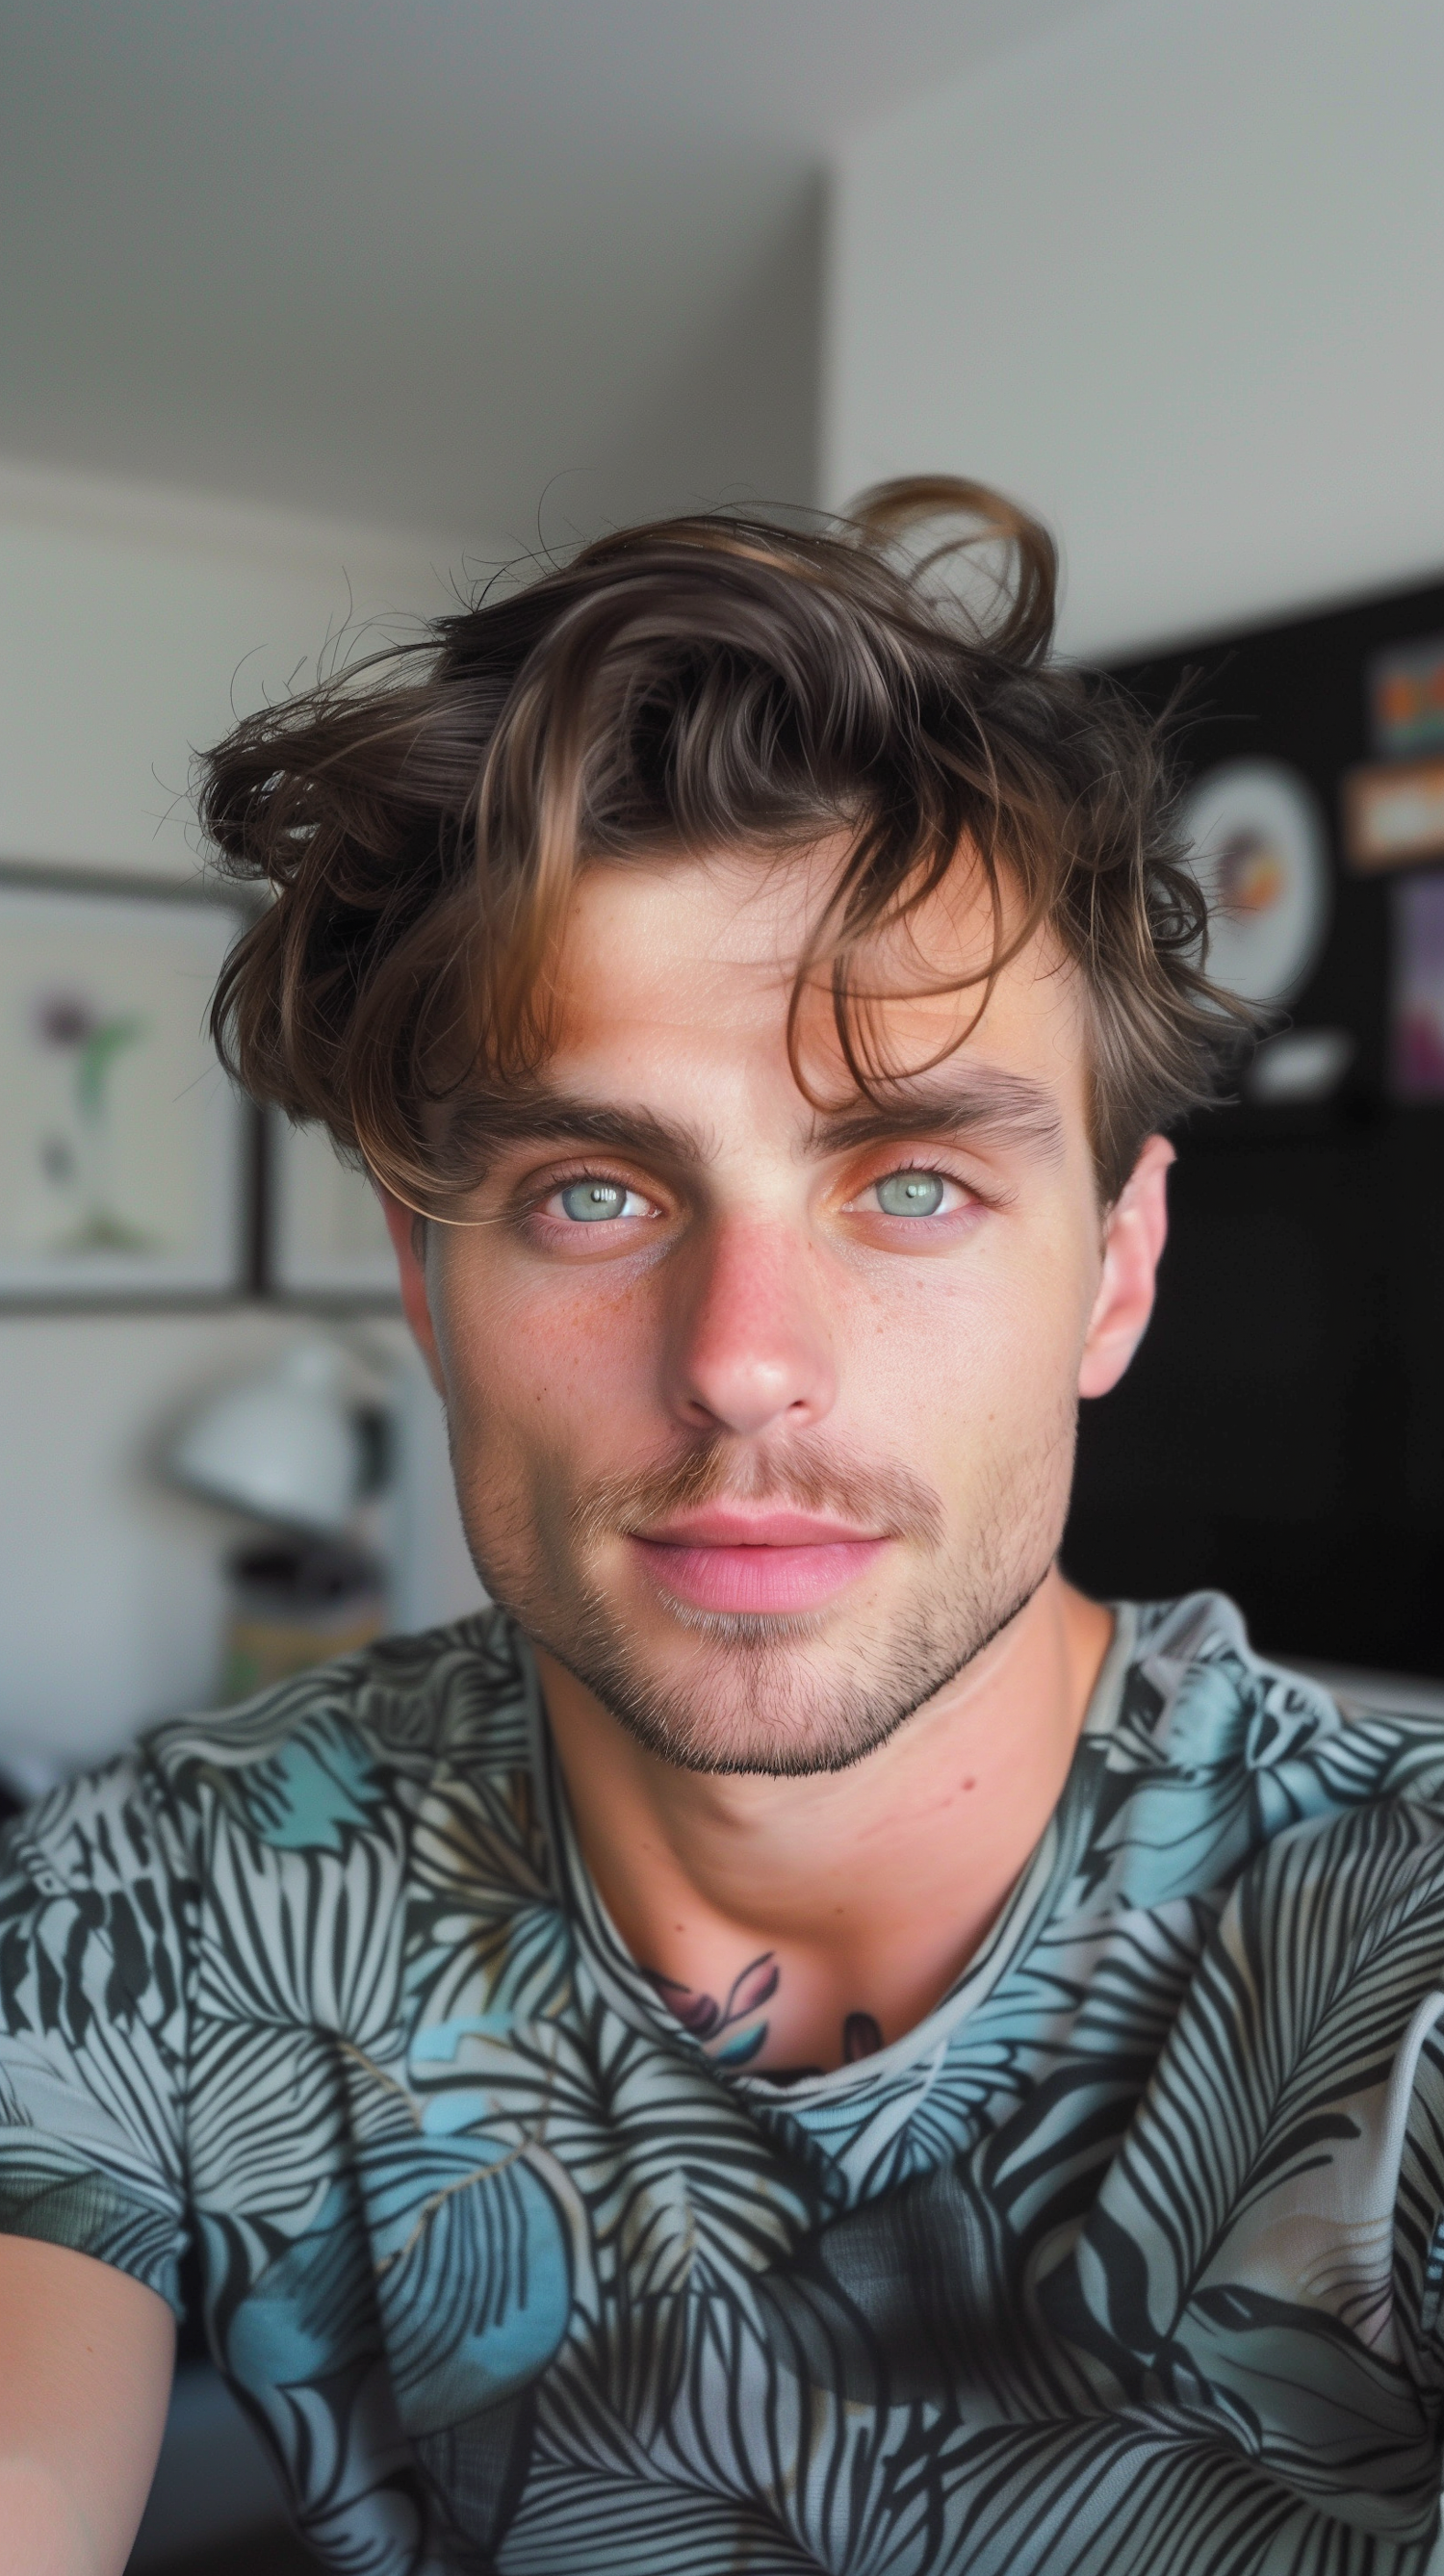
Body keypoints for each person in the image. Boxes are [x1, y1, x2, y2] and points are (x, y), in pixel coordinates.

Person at [3, 480, 1444, 2576]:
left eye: (914, 1183)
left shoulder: (1400, 1961)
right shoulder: (169, 1893)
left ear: (1115, 1276)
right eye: (597, 1191)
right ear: (429, 1289)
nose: (744, 1363)